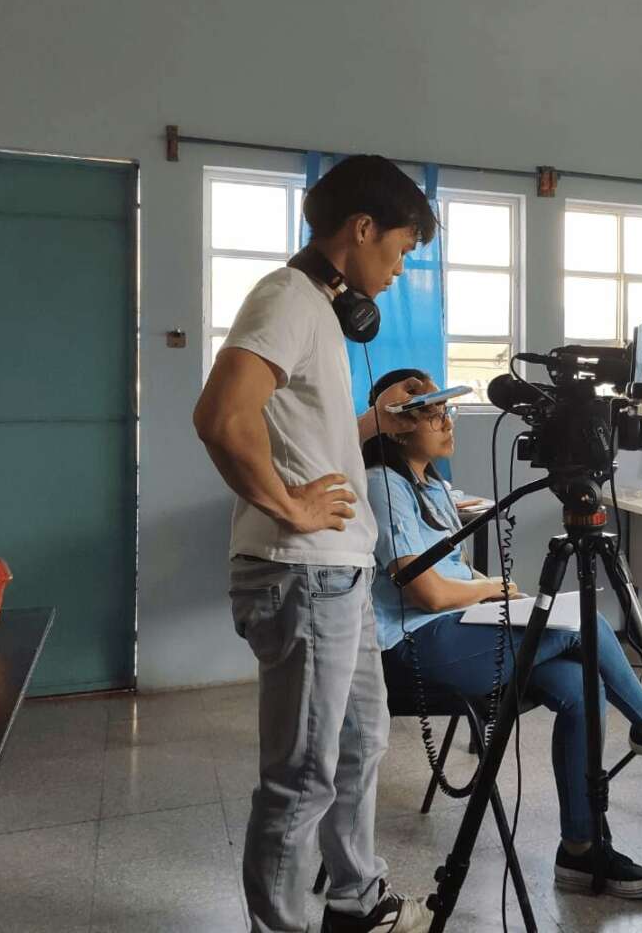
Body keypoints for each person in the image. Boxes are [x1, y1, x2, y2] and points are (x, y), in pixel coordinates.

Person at [361, 369, 642, 900]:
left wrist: (494, 592)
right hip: (413, 648)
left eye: (447, 410)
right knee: (587, 622)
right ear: (396, 428)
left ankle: (580, 850)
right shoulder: (382, 486)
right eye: (431, 413)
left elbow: (452, 578)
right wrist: (492, 589)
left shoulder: (433, 486)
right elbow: (429, 594)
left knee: (582, 687)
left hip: (458, 632)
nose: (446, 421)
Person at [193, 156, 438, 933]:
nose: (400, 270)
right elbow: (221, 416)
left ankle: (354, 898)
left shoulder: (319, 310)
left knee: (362, 745)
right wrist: (287, 505)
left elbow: (301, 430)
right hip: (302, 574)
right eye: (400, 249)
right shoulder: (287, 297)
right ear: (362, 229)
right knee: (302, 775)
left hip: (341, 574)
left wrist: (375, 424)